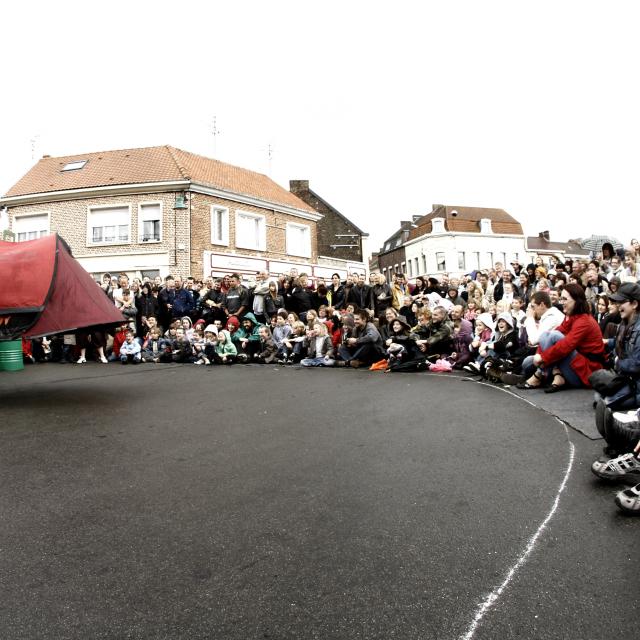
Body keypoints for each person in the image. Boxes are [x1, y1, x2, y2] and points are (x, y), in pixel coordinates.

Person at [517, 283, 604, 392]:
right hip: (572, 363)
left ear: (576, 300)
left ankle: (539, 375)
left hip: (586, 372)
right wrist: (539, 354)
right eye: (561, 298)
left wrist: (542, 358)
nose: (561, 302)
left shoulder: (584, 321)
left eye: (564, 299)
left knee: (554, 336)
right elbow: (551, 336)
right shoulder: (572, 317)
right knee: (529, 360)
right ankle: (554, 374)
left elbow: (566, 345)